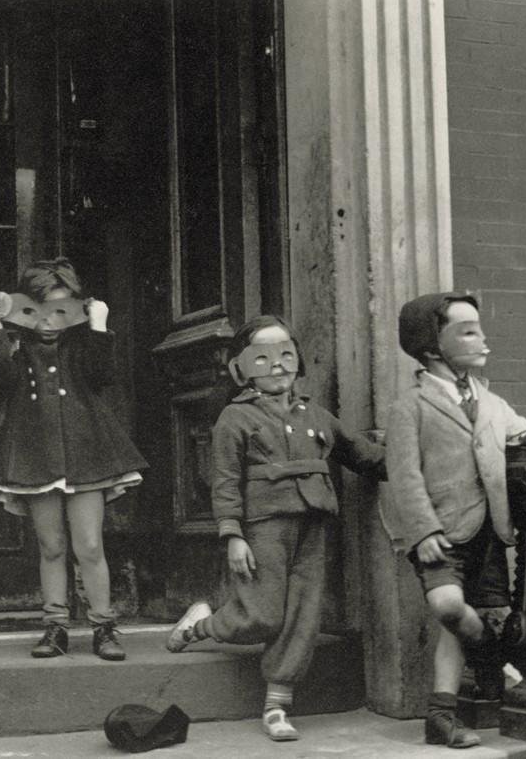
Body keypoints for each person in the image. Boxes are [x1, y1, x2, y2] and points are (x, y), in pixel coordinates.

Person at [165, 315, 387, 741]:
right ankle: (200, 626)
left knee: (302, 615)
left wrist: (417, 459)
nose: (278, 365)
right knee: (263, 615)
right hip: (263, 528)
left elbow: (364, 455)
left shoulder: (316, 415)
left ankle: (277, 705)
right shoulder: (235, 418)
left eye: (286, 354)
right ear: (243, 369)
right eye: (263, 358)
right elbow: (225, 481)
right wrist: (232, 535)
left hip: (313, 525)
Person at [380, 292, 526, 748]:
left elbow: (519, 429)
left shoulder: (490, 400)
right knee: (450, 608)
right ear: (433, 348)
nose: (482, 339)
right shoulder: (409, 406)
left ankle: (441, 717)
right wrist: (423, 531)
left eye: (479, 328)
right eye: (468, 331)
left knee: (474, 617)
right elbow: (404, 475)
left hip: (488, 530)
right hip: (440, 534)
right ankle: (486, 657)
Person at [0, 258, 147, 661]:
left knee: (89, 545)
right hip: (36, 455)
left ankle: (103, 626)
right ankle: (55, 627)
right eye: (38, 310)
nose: (49, 322)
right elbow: (0, 382)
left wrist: (99, 325)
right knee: (51, 545)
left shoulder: (82, 342)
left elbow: (102, 376)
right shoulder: (17, 344)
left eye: (60, 310)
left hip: (86, 453)